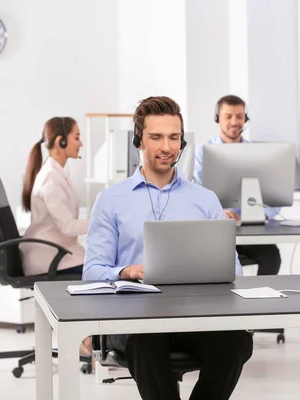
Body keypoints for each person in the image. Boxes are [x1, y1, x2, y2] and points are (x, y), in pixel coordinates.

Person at [83, 96, 253, 400]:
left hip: (196, 316)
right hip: (136, 321)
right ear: (139, 141)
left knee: (236, 341)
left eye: (174, 137)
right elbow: (91, 272)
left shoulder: (205, 200)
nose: (166, 147)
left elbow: (234, 270)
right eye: (156, 137)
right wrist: (127, 271)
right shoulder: (111, 200)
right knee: (146, 342)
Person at [193, 94, 282, 276]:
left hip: (251, 230)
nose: (234, 122)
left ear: (245, 119)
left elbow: (275, 190)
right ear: (218, 118)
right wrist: (218, 212)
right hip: (217, 232)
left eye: (239, 116)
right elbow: (195, 194)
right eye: (228, 116)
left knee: (271, 255)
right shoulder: (203, 153)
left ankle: (262, 301)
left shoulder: (258, 153)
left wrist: (265, 212)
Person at [20, 116, 87, 277]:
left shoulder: (58, 173)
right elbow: (67, 226)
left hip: (59, 251)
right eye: (76, 137)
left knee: (106, 265)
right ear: (61, 141)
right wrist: (103, 224)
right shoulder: (51, 178)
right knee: (107, 273)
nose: (81, 144)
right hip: (49, 258)